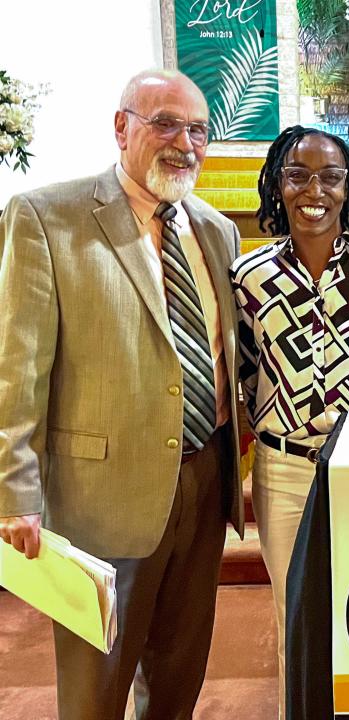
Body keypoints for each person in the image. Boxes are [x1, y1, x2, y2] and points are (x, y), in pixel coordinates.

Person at [0, 70, 244, 719]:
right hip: (99, 497)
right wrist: (14, 493)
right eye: (164, 122)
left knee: (178, 677)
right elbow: (15, 370)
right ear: (121, 127)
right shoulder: (45, 217)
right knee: (95, 691)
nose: (183, 142)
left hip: (204, 481)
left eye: (197, 130)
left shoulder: (217, 231)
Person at [230, 126, 349, 716]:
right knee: (294, 617)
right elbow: (241, 375)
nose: (314, 190)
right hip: (285, 470)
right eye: (297, 175)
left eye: (330, 177)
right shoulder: (250, 278)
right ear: (276, 184)